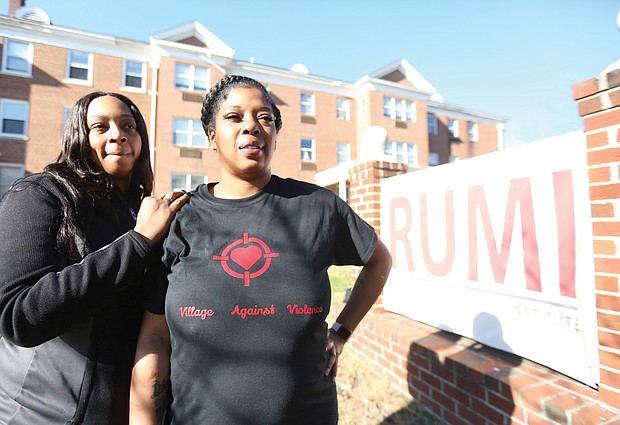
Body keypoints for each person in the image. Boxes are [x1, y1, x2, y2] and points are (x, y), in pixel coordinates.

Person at [130, 75, 392, 425]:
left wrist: (342, 331)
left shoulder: (317, 206)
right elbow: (154, 337)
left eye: (265, 117)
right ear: (211, 136)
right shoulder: (179, 220)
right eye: (234, 117)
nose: (252, 126)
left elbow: (379, 261)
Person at [0, 92, 188, 424]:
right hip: (39, 415)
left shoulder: (146, 211)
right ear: (78, 137)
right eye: (100, 127)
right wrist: (139, 241)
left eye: (128, 125)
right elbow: (20, 317)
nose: (117, 134)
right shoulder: (41, 194)